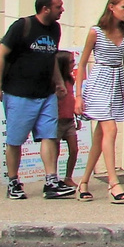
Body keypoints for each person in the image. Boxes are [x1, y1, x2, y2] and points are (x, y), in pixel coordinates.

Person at [0, 0, 68, 200]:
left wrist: (59, 83)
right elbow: (0, 54)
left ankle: (51, 181)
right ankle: (13, 182)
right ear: (46, 9)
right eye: (58, 7)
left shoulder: (55, 28)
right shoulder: (22, 26)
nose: (62, 10)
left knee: (49, 136)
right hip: (19, 93)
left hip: (46, 93)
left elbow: (51, 56)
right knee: (16, 140)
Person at [77, 0, 124, 205]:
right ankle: (113, 182)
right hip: (98, 81)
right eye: (123, 7)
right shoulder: (96, 32)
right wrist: (78, 96)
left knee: (100, 137)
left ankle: (83, 182)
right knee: (110, 129)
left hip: (116, 81)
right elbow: (82, 63)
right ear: (111, 7)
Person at [55, 51, 81, 192]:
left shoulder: (70, 80)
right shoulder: (56, 83)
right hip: (57, 121)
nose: (74, 64)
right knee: (55, 151)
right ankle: (53, 178)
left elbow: (71, 99)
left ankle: (68, 177)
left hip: (69, 120)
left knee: (74, 149)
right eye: (71, 61)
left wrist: (76, 117)